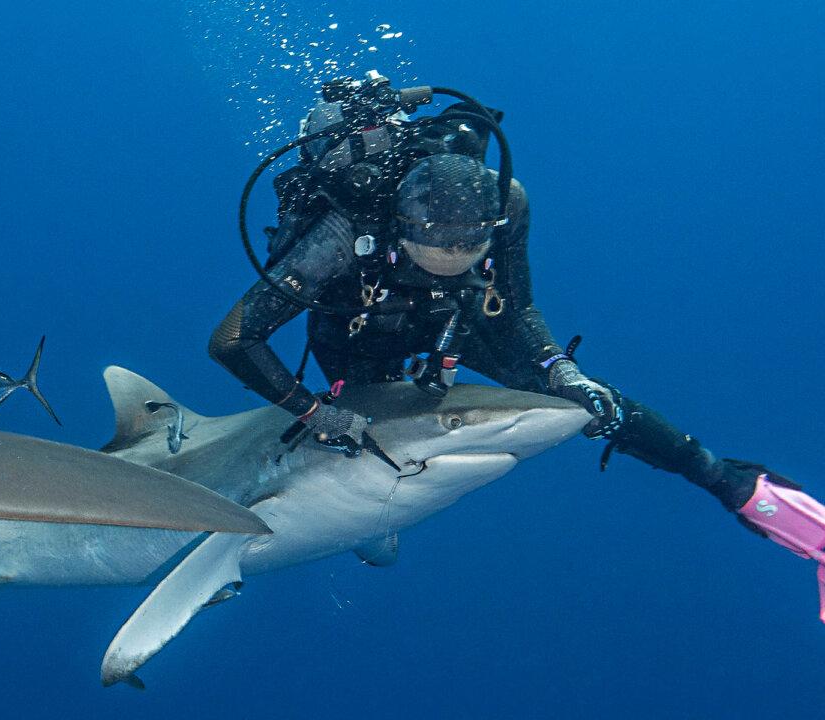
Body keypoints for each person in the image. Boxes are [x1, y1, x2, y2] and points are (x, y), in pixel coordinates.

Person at [209, 74, 825, 620]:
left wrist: (560, 368)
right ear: (402, 229)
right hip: (357, 322)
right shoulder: (343, 233)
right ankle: (317, 528)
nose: (446, 265)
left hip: (453, 317)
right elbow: (233, 339)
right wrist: (314, 411)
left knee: (586, 399)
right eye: (431, 259)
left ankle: (731, 484)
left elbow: (519, 307)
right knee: (357, 445)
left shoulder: (506, 202)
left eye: (464, 257)